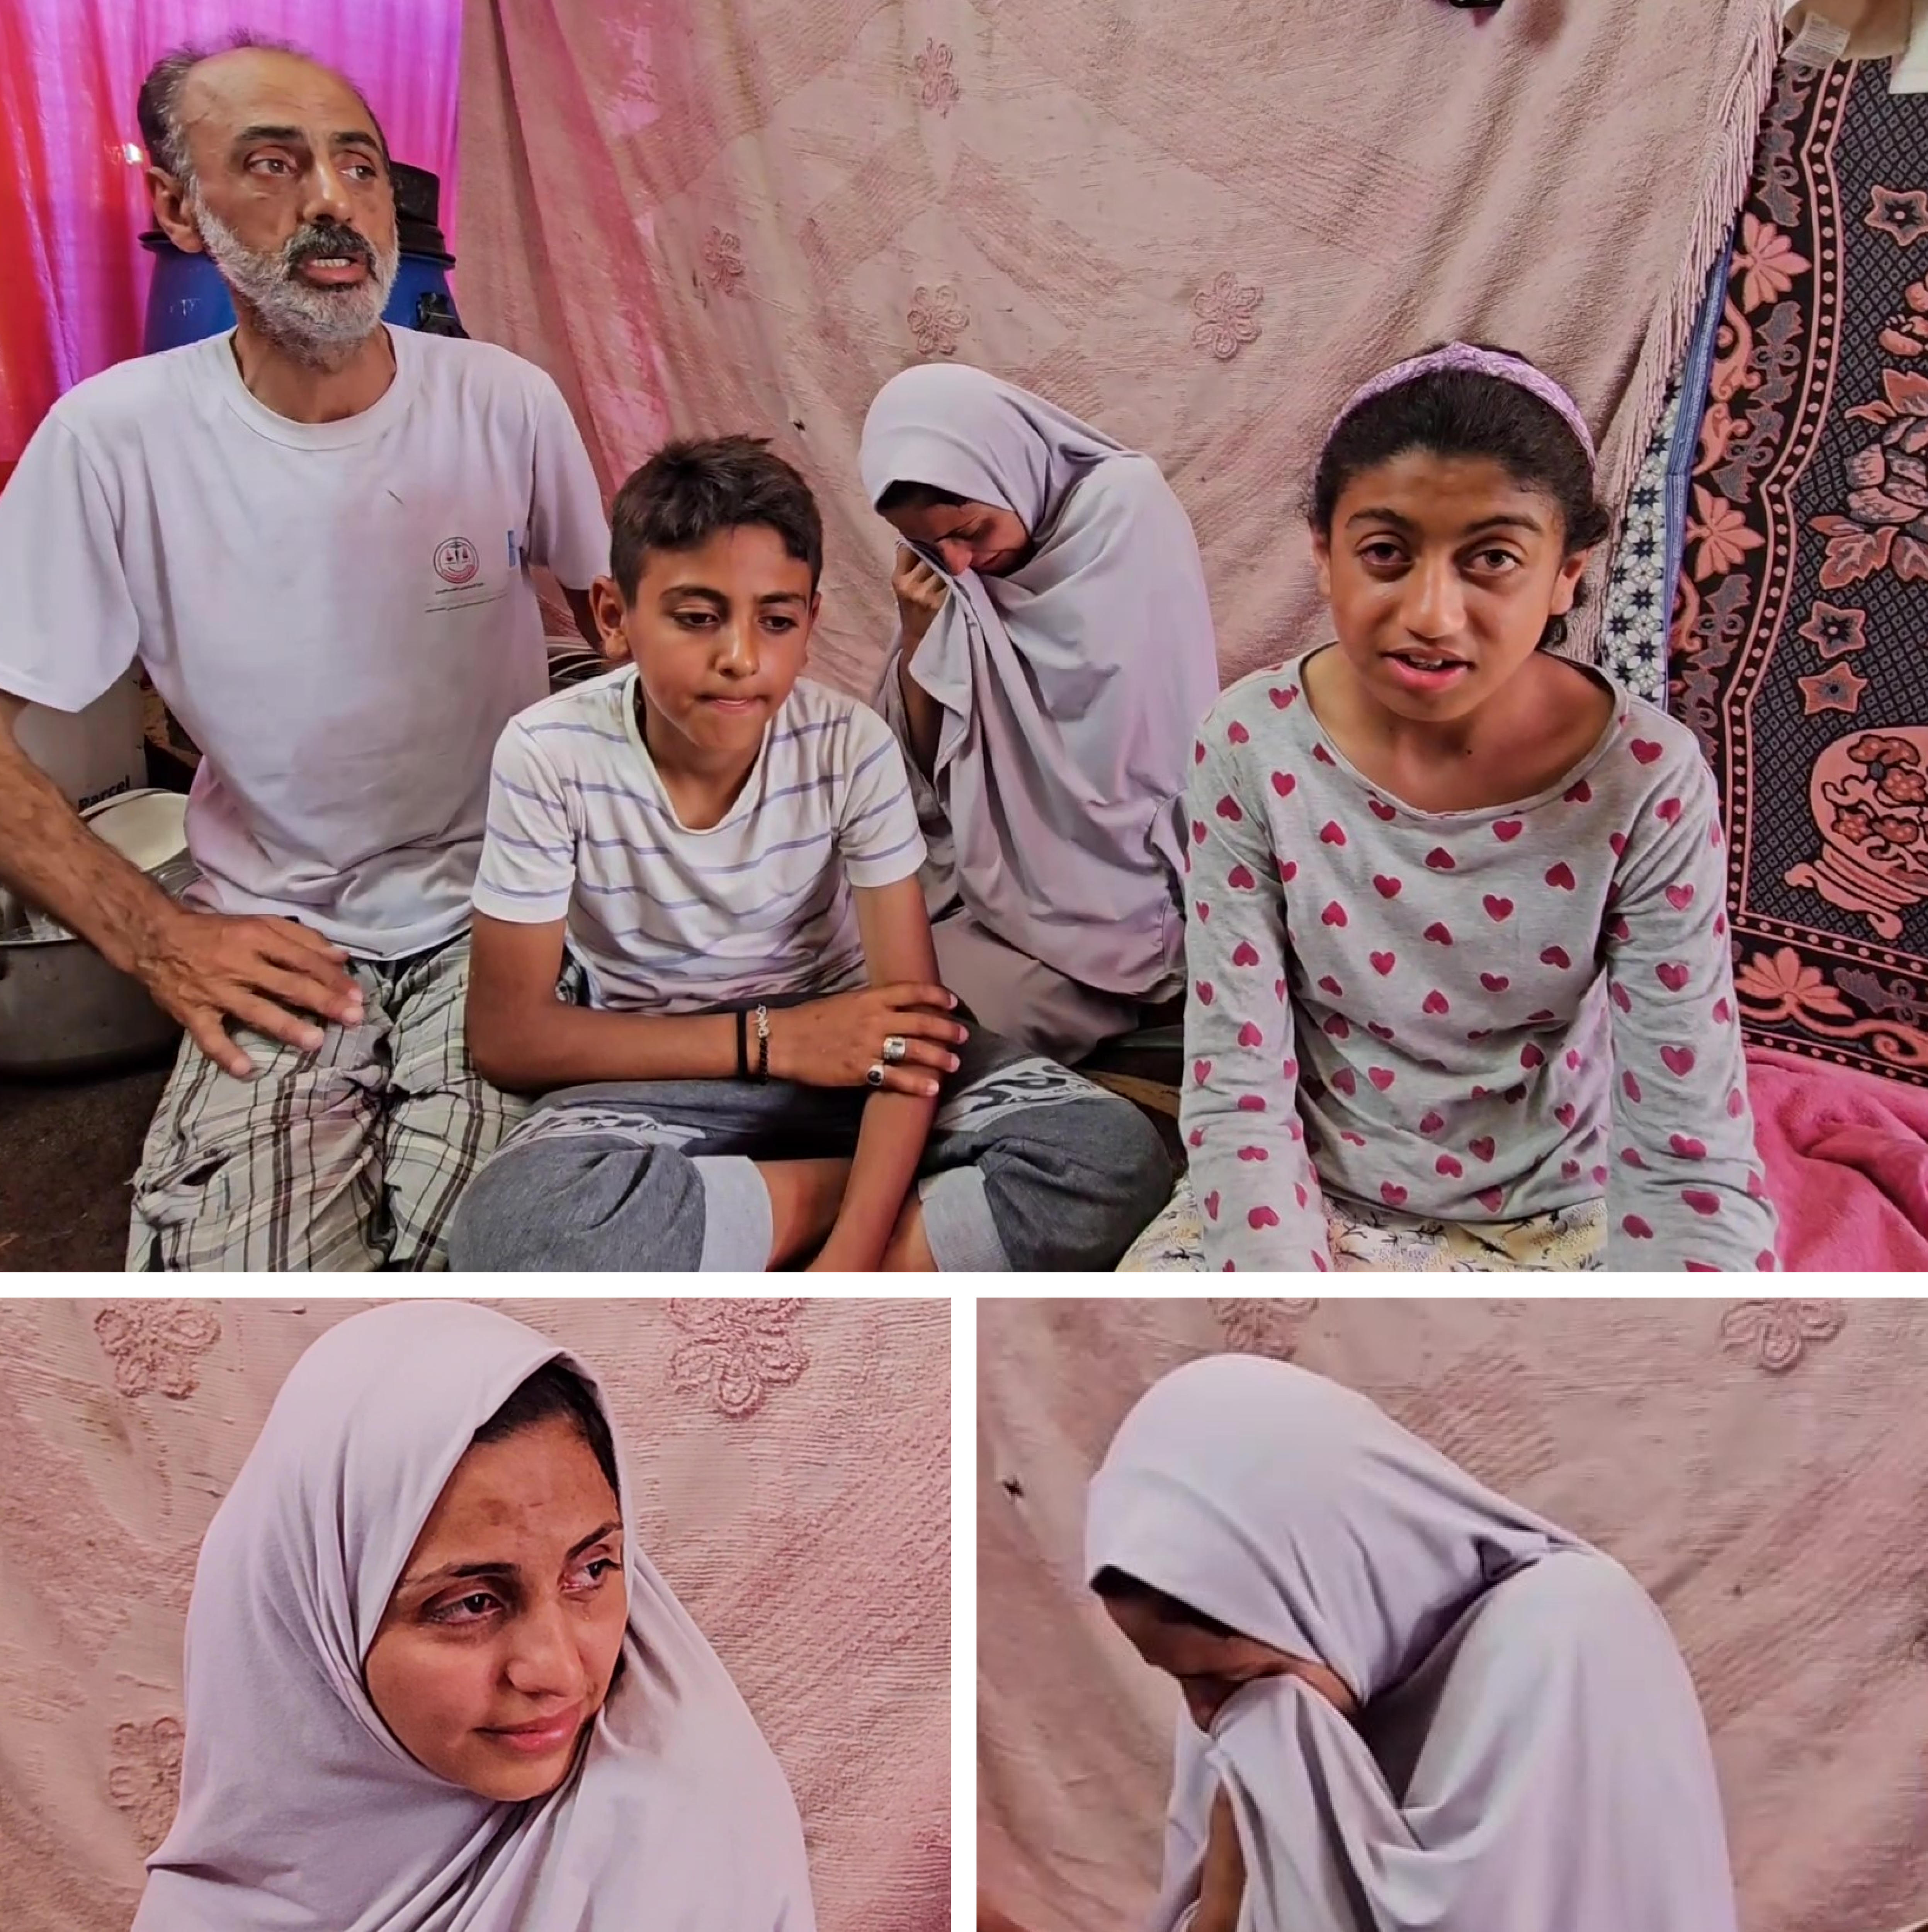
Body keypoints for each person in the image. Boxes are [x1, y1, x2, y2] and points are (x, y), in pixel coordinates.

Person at [0, 35, 609, 1270]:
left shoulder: (503, 400)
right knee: (243, 1294)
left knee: (495, 1263)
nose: (334, 202)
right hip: (272, 929)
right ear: (177, 207)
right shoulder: (111, 443)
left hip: (503, 912)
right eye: (273, 164)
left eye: (361, 168)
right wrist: (154, 936)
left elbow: (625, 626)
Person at [445, 436, 1171, 1272]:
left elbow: (906, 1017)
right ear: (614, 617)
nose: (741, 659)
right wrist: (772, 1041)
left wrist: (850, 1263)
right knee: (512, 1229)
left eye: (777, 620)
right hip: (661, 1072)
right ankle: (874, 1203)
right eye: (695, 617)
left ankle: (773, 1220)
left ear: (811, 623)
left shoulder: (849, 748)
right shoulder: (549, 753)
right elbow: (508, 1037)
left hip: (861, 1063)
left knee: (1111, 1157)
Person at [1160, 342, 1777, 1271]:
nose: (1431, 615)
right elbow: (1235, 1079)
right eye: (1384, 554)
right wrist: (1286, 1301)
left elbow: (1688, 1146)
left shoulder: (1645, 778)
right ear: (1323, 557)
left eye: (1490, 558)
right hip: (1301, 1194)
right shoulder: (1249, 743)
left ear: (1567, 572)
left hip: (1565, 1211)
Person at [134, 1299, 815, 1929]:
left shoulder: (681, 1855)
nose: (557, 1671)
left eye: (592, 1571)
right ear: (313, 1624)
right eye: (470, 1604)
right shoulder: (206, 1907)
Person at [1083, 1353, 1739, 1932]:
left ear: (1330, 1593)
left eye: (1225, 1682)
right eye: (1178, 1681)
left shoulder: (1566, 1641)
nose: (1203, 1717)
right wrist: (1230, 1867)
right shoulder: (1252, 1699)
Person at [859, 363, 1220, 1063]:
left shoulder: (1124, 513)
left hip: (1109, 894)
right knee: (843, 974)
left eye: (971, 531)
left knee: (936, 1032)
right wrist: (916, 639)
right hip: (987, 880)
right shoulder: (949, 575)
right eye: (932, 547)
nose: (960, 563)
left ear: (1008, 470)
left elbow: (1130, 761)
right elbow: (926, 774)